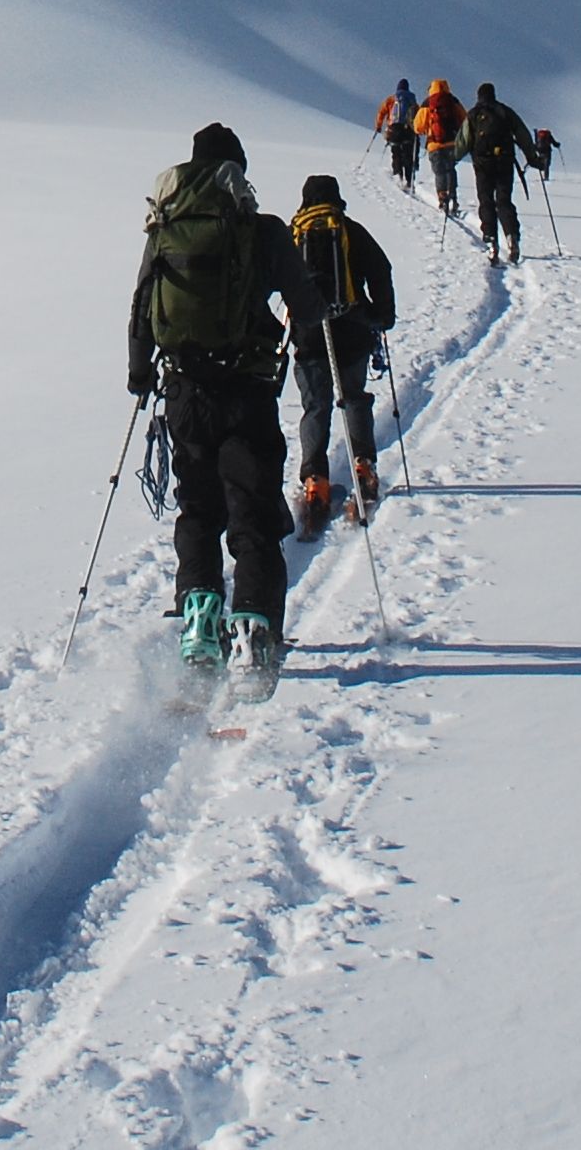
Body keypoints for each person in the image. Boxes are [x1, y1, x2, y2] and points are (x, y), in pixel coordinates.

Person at [127, 123, 326, 694]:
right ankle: (255, 631)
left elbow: (142, 303)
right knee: (254, 511)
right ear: (238, 171)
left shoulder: (164, 227)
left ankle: (199, 623)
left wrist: (141, 375)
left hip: (185, 391)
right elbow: (306, 306)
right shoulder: (259, 229)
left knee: (198, 508)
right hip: (247, 389)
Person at [286, 174, 397, 532]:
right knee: (353, 397)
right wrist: (382, 315)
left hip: (309, 335)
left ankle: (315, 481)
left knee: (315, 406)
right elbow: (381, 270)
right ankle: (363, 465)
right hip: (351, 329)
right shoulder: (349, 230)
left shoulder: (293, 233)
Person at [464, 81, 533, 265]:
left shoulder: (473, 114)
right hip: (504, 162)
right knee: (503, 201)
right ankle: (511, 237)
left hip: (482, 165)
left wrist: (452, 158)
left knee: (486, 201)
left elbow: (463, 141)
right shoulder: (505, 111)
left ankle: (492, 241)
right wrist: (533, 158)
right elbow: (523, 134)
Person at [416, 76, 467, 217]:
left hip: (434, 144)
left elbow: (418, 126)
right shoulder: (453, 100)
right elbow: (465, 119)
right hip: (452, 143)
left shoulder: (427, 103)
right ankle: (453, 198)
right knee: (450, 169)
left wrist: (424, 130)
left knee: (439, 172)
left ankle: (442, 198)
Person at [375, 80, 419, 193]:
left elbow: (382, 112)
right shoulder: (412, 100)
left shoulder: (391, 99)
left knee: (396, 152)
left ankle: (398, 175)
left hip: (394, 129)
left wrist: (378, 126)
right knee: (408, 154)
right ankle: (409, 180)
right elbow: (418, 115)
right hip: (408, 130)